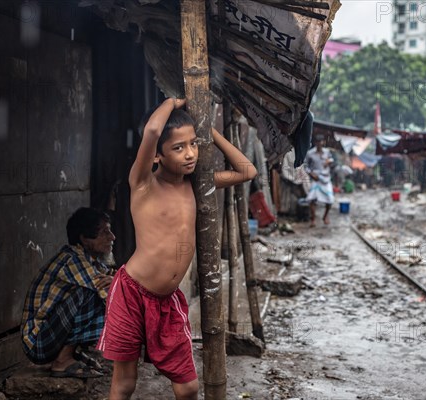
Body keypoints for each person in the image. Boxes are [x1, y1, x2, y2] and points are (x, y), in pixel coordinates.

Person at [97, 98, 257, 400]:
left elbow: (246, 171)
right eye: (179, 147)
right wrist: (171, 101)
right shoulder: (143, 184)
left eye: (193, 144)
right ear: (156, 156)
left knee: (188, 388)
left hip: (167, 301)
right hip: (131, 292)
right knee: (125, 383)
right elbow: (154, 130)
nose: (190, 154)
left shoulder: (196, 184)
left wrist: (210, 131)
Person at [21, 207, 115, 378]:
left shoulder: (92, 262)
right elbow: (108, 293)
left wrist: (120, 281)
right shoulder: (72, 259)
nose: (112, 237)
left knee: (107, 288)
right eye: (104, 232)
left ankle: (70, 354)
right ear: (84, 238)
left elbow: (113, 280)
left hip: (50, 336)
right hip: (38, 343)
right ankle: (62, 361)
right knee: (90, 293)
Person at [304, 134, 335, 227]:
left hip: (326, 178)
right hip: (316, 178)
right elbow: (305, 166)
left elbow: (332, 161)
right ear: (315, 143)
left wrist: (329, 162)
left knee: (330, 200)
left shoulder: (327, 152)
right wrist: (311, 174)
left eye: (321, 142)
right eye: (318, 142)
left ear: (323, 143)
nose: (320, 144)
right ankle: (313, 219)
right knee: (311, 199)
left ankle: (325, 216)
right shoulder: (310, 153)